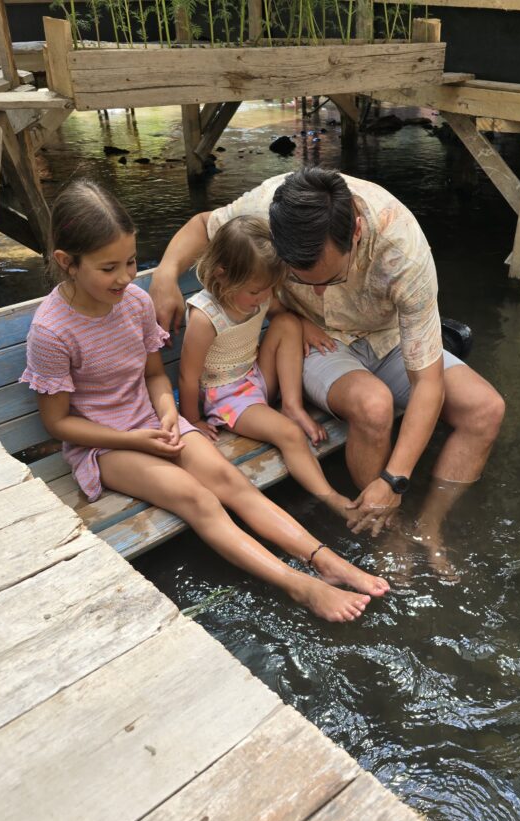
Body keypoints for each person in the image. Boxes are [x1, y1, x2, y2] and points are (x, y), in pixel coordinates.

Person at [20, 180, 389, 622]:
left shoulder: (135, 303)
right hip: (104, 446)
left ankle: (322, 557)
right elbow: (58, 424)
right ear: (67, 263)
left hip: (156, 424)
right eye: (108, 268)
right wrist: (140, 438)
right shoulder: (52, 330)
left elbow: (156, 375)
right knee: (198, 499)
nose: (125, 277)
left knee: (233, 482)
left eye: (132, 262)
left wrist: (169, 411)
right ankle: (301, 586)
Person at [150, 168, 505, 541]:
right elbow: (205, 224)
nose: (317, 293)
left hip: (387, 336)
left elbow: (427, 382)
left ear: (355, 232)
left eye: (331, 279)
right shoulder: (270, 208)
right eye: (300, 278)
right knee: (374, 406)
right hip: (316, 342)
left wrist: (394, 479)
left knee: (485, 409)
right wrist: (165, 274)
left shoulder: (404, 252)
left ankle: (432, 527)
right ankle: (385, 532)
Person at [179, 215, 352, 518]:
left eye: (269, 289)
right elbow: (187, 376)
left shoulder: (261, 295)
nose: (263, 298)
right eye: (256, 291)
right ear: (222, 275)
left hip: (254, 376)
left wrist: (304, 325)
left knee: (287, 323)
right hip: (227, 396)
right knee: (289, 434)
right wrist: (192, 423)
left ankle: (292, 405)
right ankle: (331, 498)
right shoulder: (205, 318)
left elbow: (281, 314)